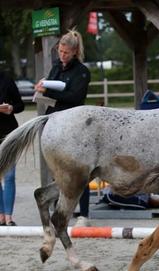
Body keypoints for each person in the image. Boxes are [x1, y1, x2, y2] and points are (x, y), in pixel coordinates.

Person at [34, 29, 91, 227]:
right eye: (60, 51)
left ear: (74, 51)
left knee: (81, 168)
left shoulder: (82, 71)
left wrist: (53, 92)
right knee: (57, 168)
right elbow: (51, 90)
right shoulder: (56, 68)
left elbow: (75, 97)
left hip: (75, 124)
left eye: (66, 52)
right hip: (56, 121)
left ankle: (84, 213)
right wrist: (42, 89)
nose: (62, 55)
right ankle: (61, 208)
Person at [0, 71, 25, 226]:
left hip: (9, 133)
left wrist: (11, 108)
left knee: (9, 176)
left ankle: (9, 217)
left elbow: (20, 105)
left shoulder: (7, 79)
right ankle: (1, 216)